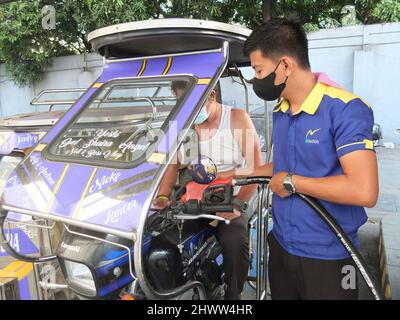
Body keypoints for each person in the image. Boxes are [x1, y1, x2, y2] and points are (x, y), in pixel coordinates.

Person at [221, 18, 378, 300]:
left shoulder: (344, 109)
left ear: (285, 66)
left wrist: (294, 183)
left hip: (330, 255)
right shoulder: (282, 110)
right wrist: (237, 175)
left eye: (258, 70)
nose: (257, 80)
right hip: (282, 245)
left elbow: (363, 190)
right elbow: (282, 167)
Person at [153, 81, 263, 300]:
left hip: (235, 192)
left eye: (194, 106)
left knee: (233, 239)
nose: (191, 114)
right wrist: (163, 196)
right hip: (197, 196)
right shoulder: (186, 127)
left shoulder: (235, 119)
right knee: (170, 237)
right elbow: (173, 165)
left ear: (211, 96)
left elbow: (255, 170)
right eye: (185, 107)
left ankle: (233, 295)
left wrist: (238, 205)